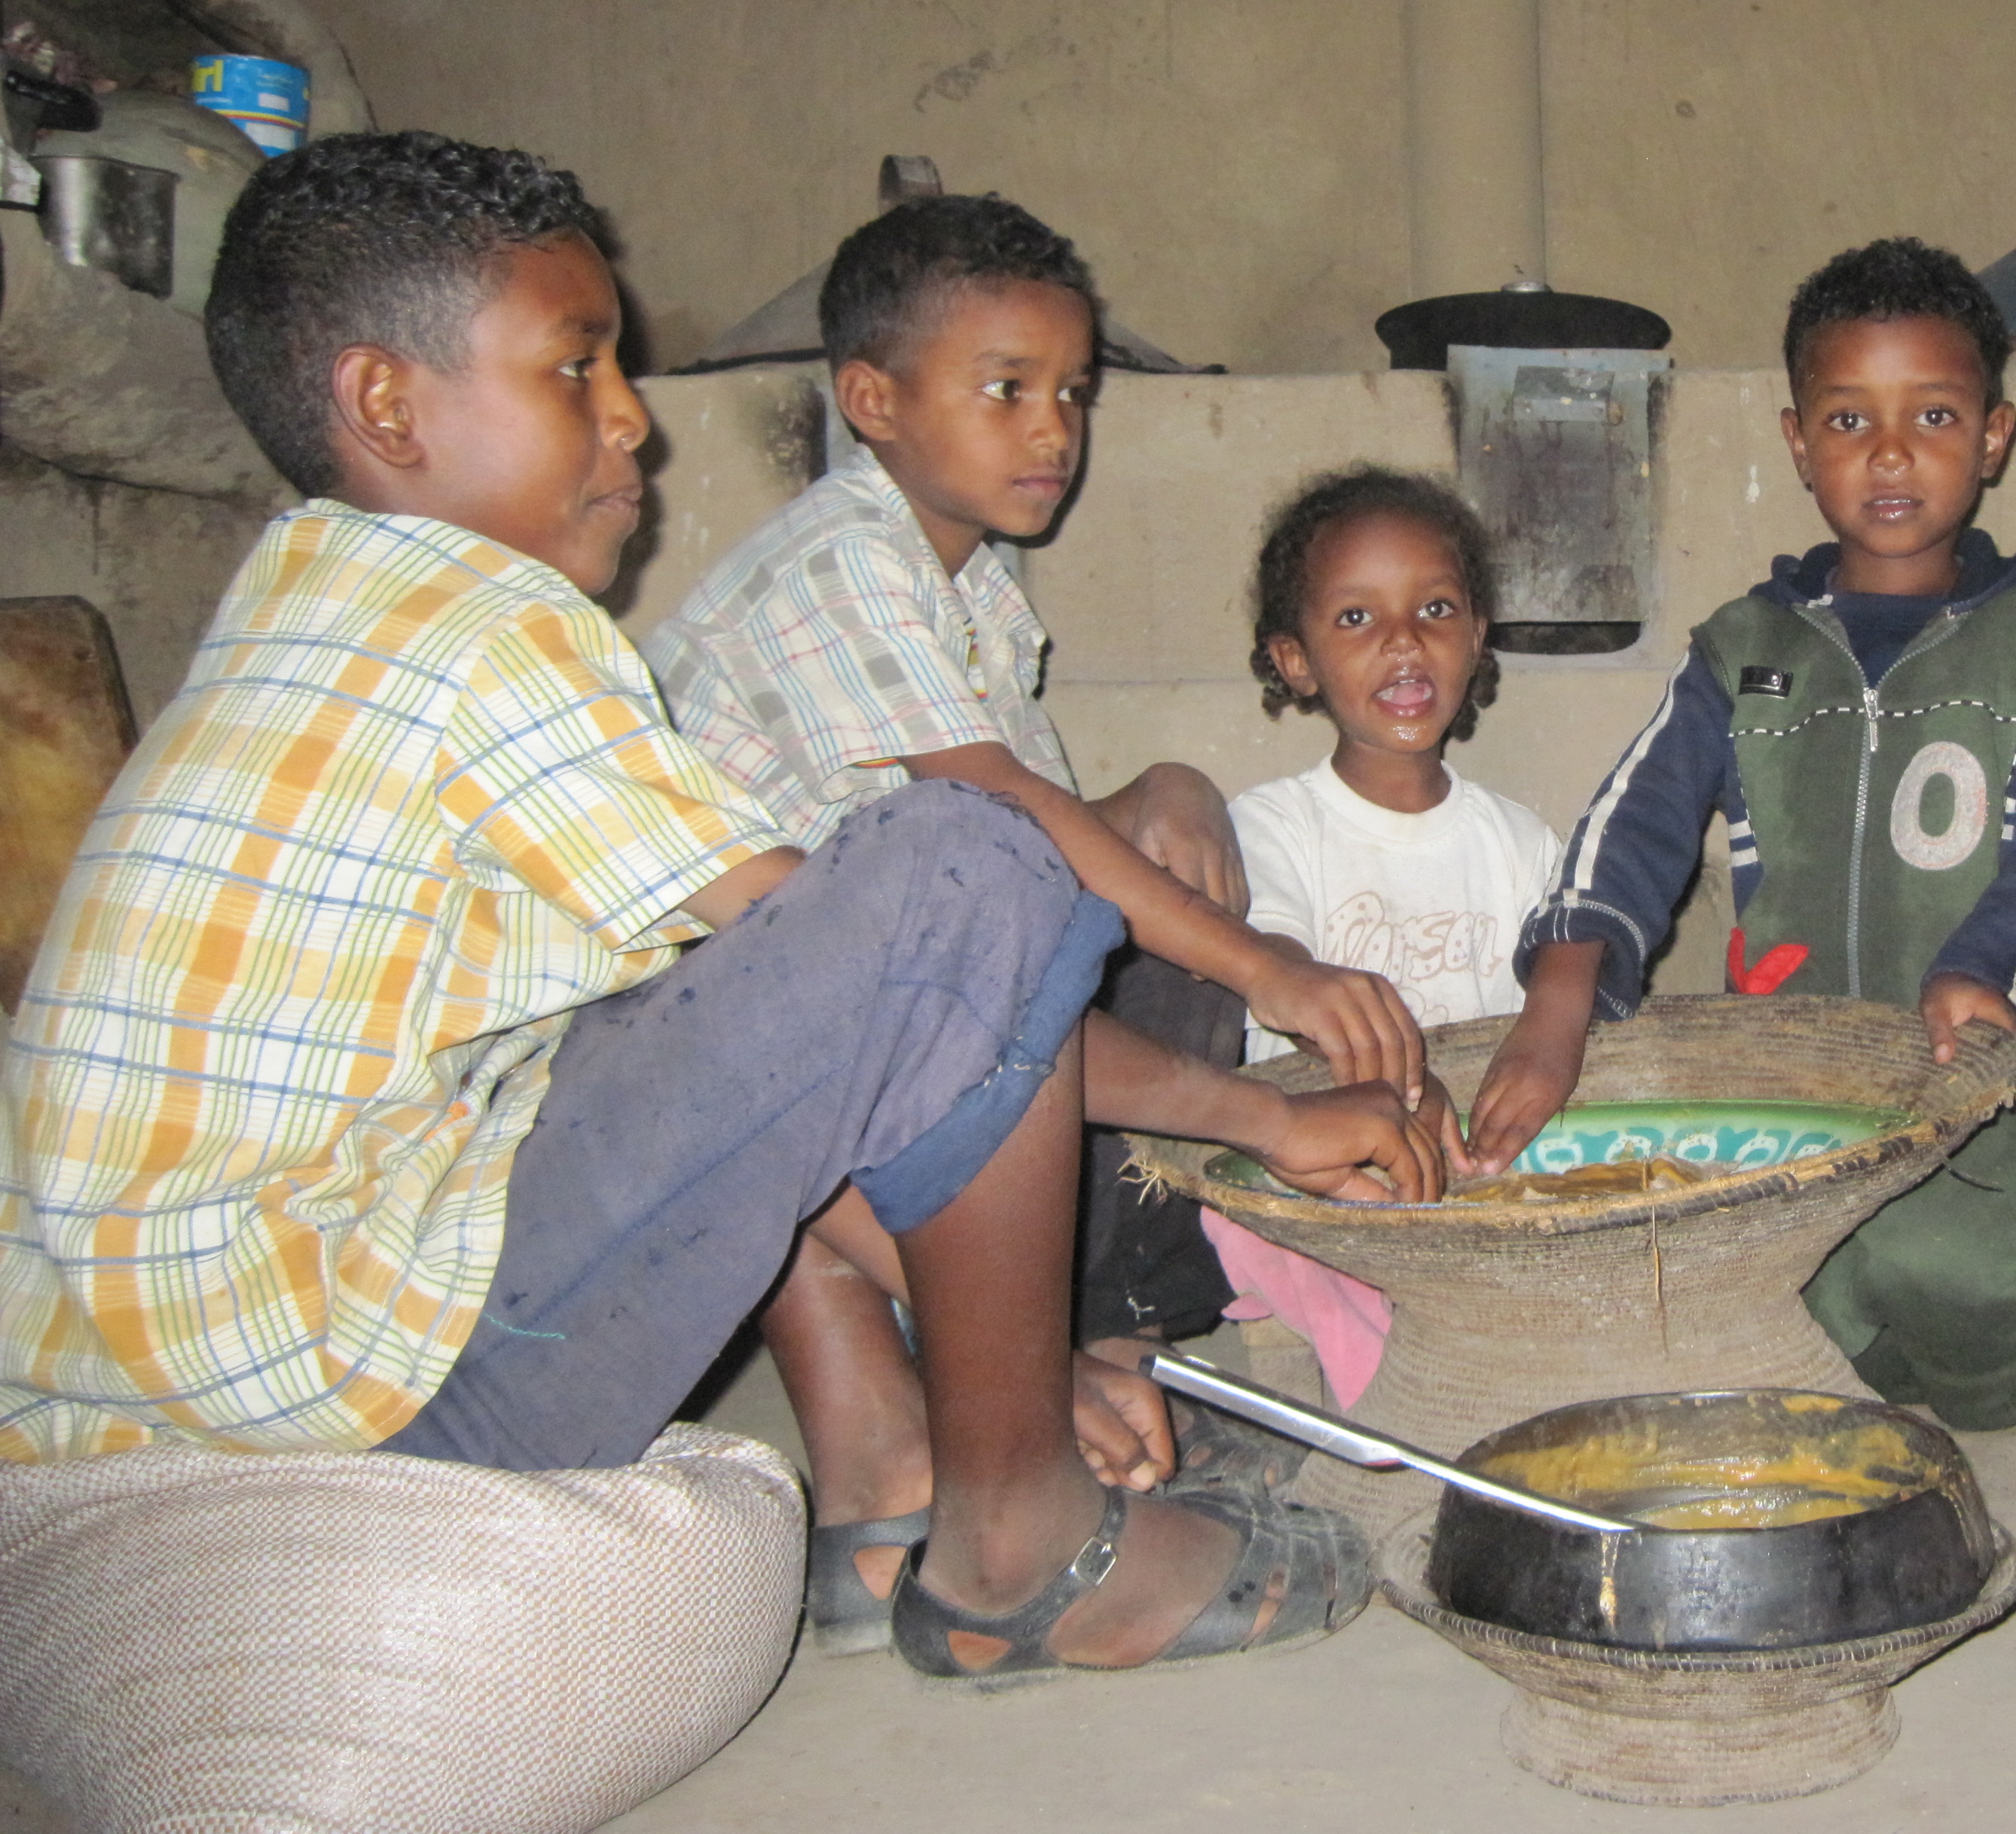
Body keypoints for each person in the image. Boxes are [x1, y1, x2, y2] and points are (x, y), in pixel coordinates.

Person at [0, 132, 1447, 1689]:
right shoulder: (480, 628)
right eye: (574, 368)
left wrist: (1016, 1361)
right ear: (384, 404)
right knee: (967, 865)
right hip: (349, 1404)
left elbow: (773, 1056)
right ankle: (1019, 1532)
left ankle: (897, 1487)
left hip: (172, 1409)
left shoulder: (311, 603)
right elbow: (904, 988)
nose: (632, 418)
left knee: (769, 979)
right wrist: (1231, 1138)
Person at [645, 194, 1434, 1649]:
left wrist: (1170, 792)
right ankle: (1046, 1421)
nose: (1052, 428)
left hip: (810, 1047)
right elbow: (973, 944)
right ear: (870, 402)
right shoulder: (840, 570)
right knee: (1111, 918)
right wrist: (1274, 983)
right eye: (1005, 389)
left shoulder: (979, 599)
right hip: (703, 1095)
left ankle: (896, 1494)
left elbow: (1035, 912)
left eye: (1070, 391)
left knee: (1156, 844)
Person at [1486, 236, 2016, 1430]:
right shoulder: (1745, 647)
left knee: (1952, 1286)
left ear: (1994, 436)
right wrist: (1560, 996)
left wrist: (1985, 975)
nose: (1890, 455)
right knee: (1741, 1286)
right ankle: (1846, 1328)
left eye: (1934, 414)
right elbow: (1632, 819)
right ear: (1799, 443)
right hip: (1795, 1065)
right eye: (1848, 421)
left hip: (1996, 1059)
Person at [1205, 467, 1562, 1404]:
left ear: (1477, 639)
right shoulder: (1274, 827)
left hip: (1466, 1181)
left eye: (1435, 608)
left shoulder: (1518, 842)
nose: (1404, 642)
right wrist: (1400, 1087)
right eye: (1356, 619)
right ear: (1295, 660)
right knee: (1253, 1220)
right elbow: (1278, 974)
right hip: (1325, 1170)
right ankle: (1403, 1406)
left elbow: (1545, 1029)